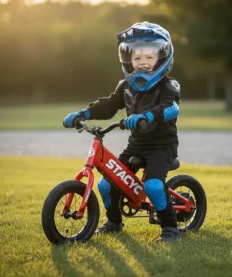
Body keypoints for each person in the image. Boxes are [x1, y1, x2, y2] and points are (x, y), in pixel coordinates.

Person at [63, 22, 181, 242]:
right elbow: (109, 105)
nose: (143, 63)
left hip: (162, 146)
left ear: (162, 57)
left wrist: (147, 116)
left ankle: (171, 229)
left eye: (149, 57)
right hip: (136, 145)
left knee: (153, 185)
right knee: (107, 184)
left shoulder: (169, 85)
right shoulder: (126, 85)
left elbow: (171, 107)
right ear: (128, 60)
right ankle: (114, 222)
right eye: (137, 58)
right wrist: (84, 113)